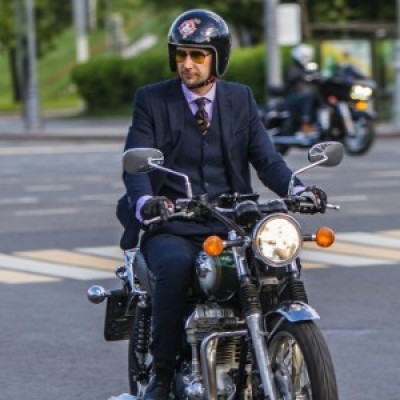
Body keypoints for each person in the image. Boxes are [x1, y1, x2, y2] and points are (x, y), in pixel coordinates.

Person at [120, 9, 327, 400]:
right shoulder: (152, 100)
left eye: (198, 55)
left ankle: (274, 345)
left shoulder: (239, 98)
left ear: (217, 58)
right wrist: (147, 202)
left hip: (233, 221)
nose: (187, 64)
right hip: (174, 224)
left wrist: (299, 189)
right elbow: (136, 161)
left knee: (277, 262)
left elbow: (267, 160)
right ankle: (162, 375)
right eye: (181, 55)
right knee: (175, 267)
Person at [284, 43, 321, 135]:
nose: (307, 59)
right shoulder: (294, 69)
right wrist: (304, 77)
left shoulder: (309, 69)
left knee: (317, 97)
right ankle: (305, 124)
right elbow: (292, 77)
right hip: (292, 98)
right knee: (309, 96)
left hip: (303, 97)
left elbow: (317, 77)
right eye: (304, 56)